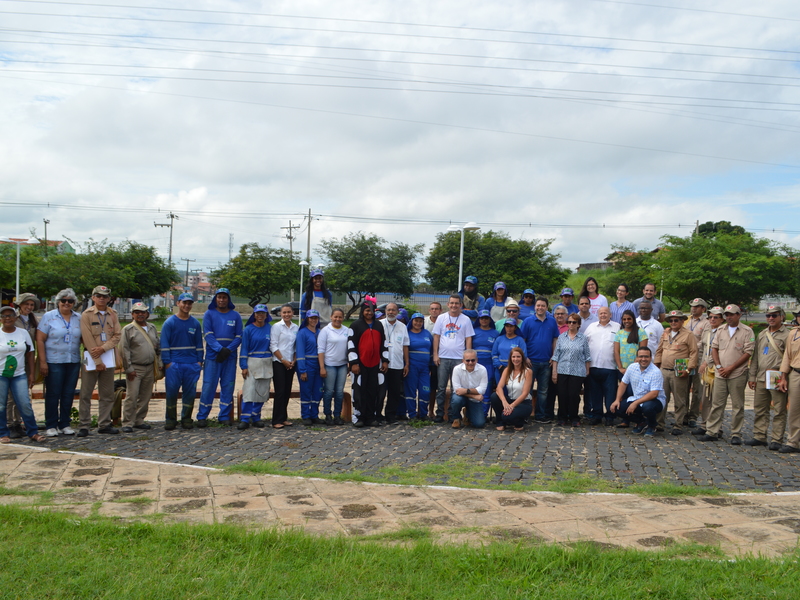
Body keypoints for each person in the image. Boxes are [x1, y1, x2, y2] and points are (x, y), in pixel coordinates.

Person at [701, 304, 755, 444]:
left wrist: (731, 367)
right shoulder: (720, 329)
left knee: (737, 405)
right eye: (727, 315)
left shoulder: (747, 331)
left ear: (739, 315)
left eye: (732, 314)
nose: (729, 317)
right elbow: (714, 348)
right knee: (717, 403)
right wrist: (719, 366)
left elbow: (748, 352)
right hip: (720, 372)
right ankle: (712, 431)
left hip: (738, 372)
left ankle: (736, 433)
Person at [36, 288, 81, 437]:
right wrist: (43, 362)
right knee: (53, 393)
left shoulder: (78, 318)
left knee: (68, 393)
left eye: (70, 301)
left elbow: (84, 339)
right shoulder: (49, 317)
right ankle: (51, 424)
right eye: (63, 300)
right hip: (54, 361)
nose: (66, 303)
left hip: (73, 360)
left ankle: (65, 423)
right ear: (58, 302)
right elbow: (40, 339)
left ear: (74, 303)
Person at [77, 285, 122, 437]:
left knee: (107, 393)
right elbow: (87, 338)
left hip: (108, 356)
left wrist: (103, 348)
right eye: (98, 296)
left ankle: (104, 423)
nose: (101, 298)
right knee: (86, 393)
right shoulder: (86, 315)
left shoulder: (113, 314)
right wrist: (97, 360)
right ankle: (84, 425)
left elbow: (117, 335)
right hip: (90, 359)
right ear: (93, 297)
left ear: (109, 298)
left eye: (104, 296)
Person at [745, 305, 789, 450]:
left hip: (777, 375)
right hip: (762, 376)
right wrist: (752, 376)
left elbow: (789, 358)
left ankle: (777, 438)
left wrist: (784, 377)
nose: (771, 318)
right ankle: (759, 435)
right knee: (759, 407)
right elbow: (755, 357)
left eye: (774, 315)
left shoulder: (787, 334)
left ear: (782, 316)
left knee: (779, 409)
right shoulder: (763, 334)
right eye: (768, 315)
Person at [196, 288, 242, 426]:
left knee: (228, 386)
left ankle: (224, 416)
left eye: (224, 297)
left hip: (230, 357)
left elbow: (239, 336)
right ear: (215, 299)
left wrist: (228, 350)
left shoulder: (235, 316)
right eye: (219, 297)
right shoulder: (209, 314)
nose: (222, 300)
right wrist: (219, 349)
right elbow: (208, 335)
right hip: (213, 357)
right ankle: (202, 416)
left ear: (229, 299)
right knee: (209, 385)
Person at [0, 305, 45, 443]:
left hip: (19, 375)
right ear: (0, 319)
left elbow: (30, 354)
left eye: (10, 315)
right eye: (4, 316)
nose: (8, 318)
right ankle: (3, 433)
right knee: (1, 405)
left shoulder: (22, 333)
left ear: (15, 317)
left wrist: (31, 374)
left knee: (24, 403)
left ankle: (33, 432)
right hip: (1, 375)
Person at [160, 293, 204, 430]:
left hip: (191, 364)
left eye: (189, 303)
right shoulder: (170, 323)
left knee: (190, 393)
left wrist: (199, 362)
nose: (186, 306)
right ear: (178, 303)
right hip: (174, 364)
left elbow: (199, 345)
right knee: (172, 392)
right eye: (184, 303)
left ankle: (186, 418)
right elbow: (164, 344)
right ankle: (170, 419)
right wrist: (168, 362)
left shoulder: (195, 323)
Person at [119, 302, 161, 433]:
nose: (140, 314)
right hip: (135, 367)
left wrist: (159, 363)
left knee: (145, 395)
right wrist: (128, 368)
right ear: (132, 314)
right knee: (132, 396)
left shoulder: (152, 327)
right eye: (137, 312)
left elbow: (158, 347)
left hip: (150, 366)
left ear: (147, 314)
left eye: (143, 312)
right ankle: (127, 421)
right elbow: (124, 350)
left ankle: (139, 420)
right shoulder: (128, 329)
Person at [654, 310, 698, 435]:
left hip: (679, 371)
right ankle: (660, 423)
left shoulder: (688, 335)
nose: (673, 322)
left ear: (682, 321)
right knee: (662, 398)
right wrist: (657, 365)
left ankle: (678, 424)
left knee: (680, 399)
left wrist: (689, 369)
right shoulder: (666, 333)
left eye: (676, 320)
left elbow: (694, 352)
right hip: (664, 370)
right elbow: (659, 350)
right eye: (671, 320)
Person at [432, 294, 474, 423]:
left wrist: (467, 357)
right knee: (441, 387)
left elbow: (468, 339)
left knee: (457, 387)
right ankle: (439, 413)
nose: (454, 305)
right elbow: (437, 337)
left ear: (461, 305)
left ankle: (452, 414)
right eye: (452, 303)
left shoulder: (466, 320)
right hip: (443, 357)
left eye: (456, 303)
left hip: (458, 358)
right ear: (448, 304)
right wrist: (435, 354)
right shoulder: (441, 318)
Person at [348, 299, 388, 427]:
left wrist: (385, 360)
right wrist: (354, 363)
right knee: (359, 390)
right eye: (367, 310)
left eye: (371, 311)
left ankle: (371, 416)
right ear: (362, 311)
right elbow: (350, 344)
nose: (369, 313)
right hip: (360, 364)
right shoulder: (355, 325)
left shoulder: (378, 325)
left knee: (374, 391)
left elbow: (384, 343)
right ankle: (358, 416)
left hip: (375, 364)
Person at [610, 347, 666, 437]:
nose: (643, 359)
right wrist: (617, 399)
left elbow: (654, 394)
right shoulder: (632, 367)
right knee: (616, 408)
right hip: (637, 398)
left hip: (654, 400)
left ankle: (652, 426)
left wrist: (635, 403)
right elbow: (623, 384)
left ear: (651, 358)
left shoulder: (656, 372)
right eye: (641, 356)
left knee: (647, 407)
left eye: (646, 357)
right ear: (637, 358)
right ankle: (642, 422)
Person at [520, 297, 560, 424]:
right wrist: (525, 357)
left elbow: (555, 340)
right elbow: (522, 341)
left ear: (547, 307)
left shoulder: (552, 322)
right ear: (535, 307)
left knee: (543, 391)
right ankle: (525, 415)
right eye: (538, 305)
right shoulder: (527, 321)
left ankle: (540, 415)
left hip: (546, 362)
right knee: (527, 390)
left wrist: (554, 357)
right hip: (530, 362)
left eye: (543, 305)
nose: (540, 308)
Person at [551, 314, 591, 426]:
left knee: (573, 395)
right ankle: (562, 417)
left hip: (577, 371)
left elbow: (587, 355)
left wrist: (587, 370)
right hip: (562, 369)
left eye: (574, 322)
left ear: (578, 324)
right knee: (562, 394)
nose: (571, 324)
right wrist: (554, 372)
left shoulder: (583, 338)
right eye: (569, 322)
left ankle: (574, 417)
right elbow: (556, 356)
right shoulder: (561, 337)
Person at [237, 304, 273, 430]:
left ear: (266, 315)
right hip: (252, 361)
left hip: (267, 362)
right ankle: (245, 418)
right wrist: (243, 366)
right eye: (258, 313)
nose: (260, 316)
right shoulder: (248, 330)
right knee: (249, 391)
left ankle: (256, 416)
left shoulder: (270, 328)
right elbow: (244, 349)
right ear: (254, 315)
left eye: (263, 313)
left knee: (262, 391)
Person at [584, 307, 621, 425]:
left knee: (610, 393)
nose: (603, 315)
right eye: (601, 313)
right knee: (595, 393)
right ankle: (597, 415)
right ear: (598, 314)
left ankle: (610, 416)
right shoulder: (591, 327)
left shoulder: (617, 327)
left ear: (610, 315)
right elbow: (585, 344)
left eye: (605, 313)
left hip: (610, 366)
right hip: (593, 366)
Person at [691, 307, 725, 437]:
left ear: (722, 319)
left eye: (716, 317)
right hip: (704, 369)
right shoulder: (708, 331)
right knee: (705, 397)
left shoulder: (724, 332)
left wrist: (707, 362)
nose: (712, 319)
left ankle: (717, 427)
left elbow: (719, 351)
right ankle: (705, 424)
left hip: (716, 368)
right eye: (710, 317)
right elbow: (701, 346)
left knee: (715, 399)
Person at [613, 309, 647, 427]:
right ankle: (625, 420)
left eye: (629, 319)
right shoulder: (620, 333)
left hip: (635, 371)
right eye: (624, 319)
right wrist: (621, 367)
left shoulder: (641, 332)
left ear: (633, 319)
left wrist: (632, 368)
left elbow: (643, 352)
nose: (626, 321)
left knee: (633, 394)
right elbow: (616, 352)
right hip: (621, 370)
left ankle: (638, 420)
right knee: (623, 396)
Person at [318, 307, 350, 426]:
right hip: (329, 365)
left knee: (339, 392)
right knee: (328, 391)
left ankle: (337, 415)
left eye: (340, 317)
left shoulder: (347, 330)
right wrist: (322, 367)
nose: (337, 319)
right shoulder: (325, 331)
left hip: (342, 365)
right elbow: (321, 350)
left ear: (343, 318)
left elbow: (350, 348)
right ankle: (327, 414)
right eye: (335, 317)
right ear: (331, 317)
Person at [270, 304, 298, 429]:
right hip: (279, 363)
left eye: (289, 312)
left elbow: (296, 346)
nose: (287, 314)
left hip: (291, 363)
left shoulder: (295, 327)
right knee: (280, 391)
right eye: (284, 312)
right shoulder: (276, 327)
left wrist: (293, 360)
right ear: (281, 314)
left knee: (287, 391)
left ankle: (283, 417)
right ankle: (276, 419)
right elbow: (273, 346)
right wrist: (283, 360)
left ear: (293, 313)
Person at [491, 346, 533, 431]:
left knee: (507, 416)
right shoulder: (507, 370)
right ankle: (500, 422)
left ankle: (519, 422)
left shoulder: (528, 372)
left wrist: (511, 406)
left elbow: (525, 393)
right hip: (510, 400)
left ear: (522, 358)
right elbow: (499, 387)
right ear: (510, 358)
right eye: (513, 357)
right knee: (494, 396)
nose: (516, 359)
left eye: (518, 357)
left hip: (523, 403)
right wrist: (505, 403)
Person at [381, 302, 409, 423]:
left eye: (393, 310)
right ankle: (377, 415)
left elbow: (405, 346)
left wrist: (406, 364)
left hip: (397, 364)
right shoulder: (379, 324)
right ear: (385, 311)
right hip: (381, 364)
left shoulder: (402, 327)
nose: (391, 312)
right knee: (380, 392)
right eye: (389, 310)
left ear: (397, 312)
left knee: (394, 393)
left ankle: (390, 416)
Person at [296, 309, 324, 425]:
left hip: (318, 364)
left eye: (315, 318)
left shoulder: (320, 332)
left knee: (317, 391)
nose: (313, 320)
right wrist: (302, 370)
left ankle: (314, 414)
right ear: (307, 319)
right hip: (307, 364)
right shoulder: (302, 333)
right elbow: (300, 352)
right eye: (311, 318)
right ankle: (306, 415)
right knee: (306, 390)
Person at [685, 298, 710, 427]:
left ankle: (693, 416)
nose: (694, 308)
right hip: (684, 357)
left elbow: (704, 341)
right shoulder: (686, 320)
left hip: (699, 358)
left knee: (696, 389)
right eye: (692, 306)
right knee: (683, 387)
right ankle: (683, 414)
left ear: (703, 309)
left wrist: (691, 347)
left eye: (697, 306)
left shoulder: (706, 323)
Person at [777, 316, 800, 453]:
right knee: (794, 409)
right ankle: (793, 441)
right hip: (796, 372)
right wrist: (783, 376)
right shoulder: (794, 333)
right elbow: (787, 356)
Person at [449, 349, 489, 429]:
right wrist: (474, 395)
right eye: (468, 360)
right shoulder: (457, 369)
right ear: (463, 360)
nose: (470, 362)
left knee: (479, 424)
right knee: (456, 399)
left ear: (476, 360)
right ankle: (456, 418)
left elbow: (482, 389)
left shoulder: (482, 369)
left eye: (473, 360)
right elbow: (457, 390)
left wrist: (466, 390)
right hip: (464, 397)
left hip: (474, 400)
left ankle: (467, 414)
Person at [405, 313, 433, 420]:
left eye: (420, 321)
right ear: (411, 321)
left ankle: (423, 414)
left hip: (425, 368)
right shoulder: (407, 334)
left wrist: (431, 365)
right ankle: (412, 414)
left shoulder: (427, 334)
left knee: (425, 391)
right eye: (416, 321)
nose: (418, 323)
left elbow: (431, 351)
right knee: (411, 391)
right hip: (412, 367)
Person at [471, 309, 498, 416]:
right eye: (482, 318)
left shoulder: (495, 333)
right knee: (474, 388)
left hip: (489, 365)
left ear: (490, 319)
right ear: (479, 319)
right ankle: (471, 414)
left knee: (486, 389)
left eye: (486, 318)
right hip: (474, 364)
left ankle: (483, 414)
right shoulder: (473, 331)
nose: (484, 320)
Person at [492, 318, 526, 383]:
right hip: (500, 369)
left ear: (515, 328)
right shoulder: (499, 339)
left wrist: (514, 367)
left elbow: (523, 355)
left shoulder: (520, 340)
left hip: (515, 369)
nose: (509, 328)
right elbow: (494, 354)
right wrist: (499, 366)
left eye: (511, 326)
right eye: (507, 326)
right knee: (501, 388)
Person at [424, 301, 442, 417]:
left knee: (435, 387)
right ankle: (422, 410)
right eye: (432, 309)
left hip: (438, 359)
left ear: (441, 310)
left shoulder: (443, 321)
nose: (434, 310)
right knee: (425, 386)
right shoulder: (424, 322)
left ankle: (432, 411)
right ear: (429, 310)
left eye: (437, 309)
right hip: (424, 358)